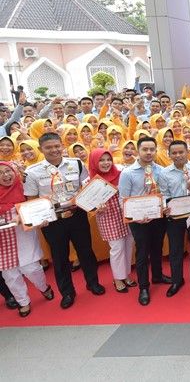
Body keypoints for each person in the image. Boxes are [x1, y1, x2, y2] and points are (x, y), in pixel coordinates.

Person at [23, 132, 104, 309]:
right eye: (48, 147)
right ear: (41, 149)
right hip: (52, 221)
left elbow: (86, 188)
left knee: (86, 252)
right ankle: (67, 292)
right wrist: (38, 218)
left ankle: (93, 283)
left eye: (56, 146)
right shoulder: (32, 172)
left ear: (62, 146)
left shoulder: (76, 164)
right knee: (60, 258)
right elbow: (32, 200)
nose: (54, 150)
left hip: (77, 215)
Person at [119, 136, 172, 306]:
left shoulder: (161, 170)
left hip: (157, 216)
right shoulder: (128, 173)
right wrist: (135, 217)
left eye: (152, 149)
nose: (149, 152)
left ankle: (157, 275)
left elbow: (164, 192)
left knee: (157, 247)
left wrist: (165, 206)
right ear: (138, 151)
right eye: (145, 149)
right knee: (142, 252)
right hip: (139, 220)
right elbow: (123, 199)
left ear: (156, 151)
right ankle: (143, 286)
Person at [0, 162, 54, 317]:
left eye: (8, 171)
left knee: (32, 269)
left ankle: (43, 287)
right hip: (3, 241)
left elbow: (37, 207)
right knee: (10, 275)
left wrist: (38, 217)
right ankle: (23, 302)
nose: (6, 175)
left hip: (23, 235)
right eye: (1, 173)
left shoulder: (24, 188)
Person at [157, 140, 190, 297]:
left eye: (181, 152)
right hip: (175, 216)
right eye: (174, 153)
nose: (178, 155)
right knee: (175, 249)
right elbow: (164, 194)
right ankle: (177, 279)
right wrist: (165, 205)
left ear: (187, 152)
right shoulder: (164, 173)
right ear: (169, 155)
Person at [88, 149, 136, 293]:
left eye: (108, 159)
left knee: (128, 245)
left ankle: (126, 274)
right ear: (94, 162)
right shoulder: (91, 181)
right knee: (117, 248)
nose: (106, 163)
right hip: (108, 217)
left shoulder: (121, 173)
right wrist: (97, 208)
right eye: (101, 160)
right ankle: (118, 278)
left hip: (125, 213)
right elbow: (89, 205)